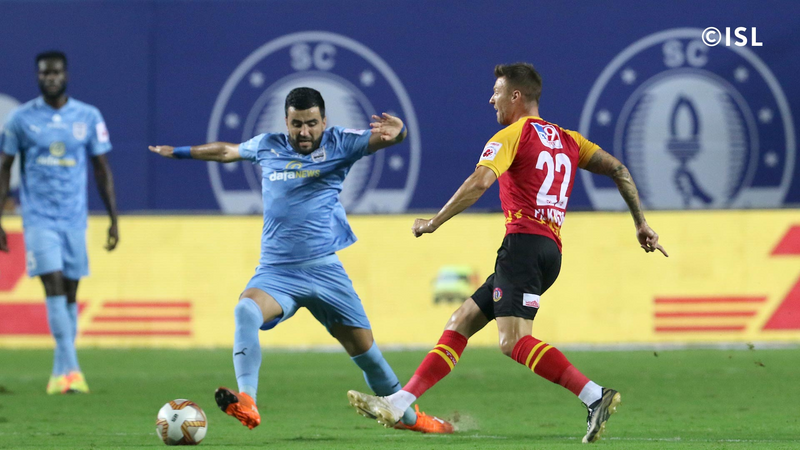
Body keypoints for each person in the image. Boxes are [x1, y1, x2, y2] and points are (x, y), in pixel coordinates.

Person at [347, 63, 668, 443]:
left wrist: (435, 221)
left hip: (522, 248)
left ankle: (594, 395)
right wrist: (640, 223)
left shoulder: (511, 135)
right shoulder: (569, 140)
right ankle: (400, 403)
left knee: (512, 341)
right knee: (461, 321)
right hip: (549, 251)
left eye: (497, 92)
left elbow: (479, 182)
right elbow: (619, 170)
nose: (491, 99)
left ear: (516, 96)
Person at [149, 87, 452, 433]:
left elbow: (387, 138)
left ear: (324, 121)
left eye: (311, 123)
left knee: (368, 356)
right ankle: (247, 400)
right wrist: (180, 152)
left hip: (325, 271)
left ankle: (416, 421)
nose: (304, 132)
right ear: (286, 122)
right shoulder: (267, 146)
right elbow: (226, 151)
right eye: (297, 124)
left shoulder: (340, 143)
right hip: (276, 273)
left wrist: (401, 132)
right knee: (245, 310)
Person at [0, 51, 119, 395]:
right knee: (52, 284)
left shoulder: (87, 116)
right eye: (44, 73)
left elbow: (102, 169)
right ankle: (74, 370)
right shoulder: (21, 119)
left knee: (69, 293)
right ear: (37, 76)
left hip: (74, 220)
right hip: (38, 218)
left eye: (55, 73)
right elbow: (4, 167)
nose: (50, 78)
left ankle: (59, 373)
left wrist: (113, 219)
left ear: (65, 75)